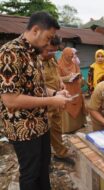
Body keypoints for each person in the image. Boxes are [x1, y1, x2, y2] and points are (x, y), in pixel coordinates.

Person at [0, 12, 71, 190]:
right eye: (48, 37)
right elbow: (11, 100)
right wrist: (51, 101)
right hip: (23, 128)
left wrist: (55, 94)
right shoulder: (10, 53)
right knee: (30, 174)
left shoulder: (34, 54)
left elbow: (36, 88)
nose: (49, 43)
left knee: (43, 168)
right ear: (36, 30)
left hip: (41, 124)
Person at [39, 36, 74, 165]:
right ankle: (44, 162)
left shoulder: (51, 58)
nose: (52, 53)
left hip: (56, 100)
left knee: (56, 128)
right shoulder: (35, 62)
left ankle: (60, 153)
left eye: (55, 51)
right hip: (43, 103)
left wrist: (60, 83)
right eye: (50, 51)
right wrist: (54, 94)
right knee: (44, 134)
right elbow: (37, 86)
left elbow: (56, 72)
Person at [58, 47, 87, 133]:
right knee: (67, 106)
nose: (70, 59)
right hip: (66, 89)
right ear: (64, 56)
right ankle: (68, 129)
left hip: (76, 88)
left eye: (72, 56)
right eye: (69, 57)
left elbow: (79, 74)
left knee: (78, 104)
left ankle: (78, 125)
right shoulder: (59, 64)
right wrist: (68, 78)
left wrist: (79, 78)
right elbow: (57, 78)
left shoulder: (74, 64)